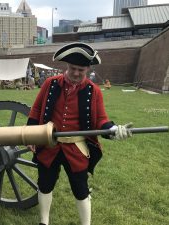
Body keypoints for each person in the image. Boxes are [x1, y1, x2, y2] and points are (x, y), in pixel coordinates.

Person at [26, 42, 132, 225]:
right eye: (72, 68)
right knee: (44, 185)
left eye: (81, 70)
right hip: (49, 146)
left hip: (76, 149)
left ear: (88, 69)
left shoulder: (94, 91)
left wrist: (113, 130)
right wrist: (30, 134)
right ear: (66, 66)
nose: (76, 73)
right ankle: (44, 221)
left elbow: (101, 120)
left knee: (81, 189)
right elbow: (36, 110)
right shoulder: (50, 84)